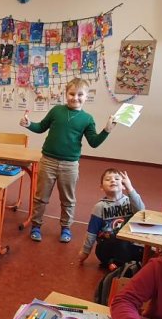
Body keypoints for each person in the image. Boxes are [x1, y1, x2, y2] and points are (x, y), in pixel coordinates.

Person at [20, 78, 118, 243]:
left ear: (86, 96)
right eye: (72, 94)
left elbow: (94, 142)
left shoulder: (87, 119)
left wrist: (106, 130)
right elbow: (41, 127)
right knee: (41, 197)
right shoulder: (56, 111)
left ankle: (66, 228)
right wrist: (29, 124)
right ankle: (36, 226)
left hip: (70, 165)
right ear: (66, 94)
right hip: (48, 161)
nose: (75, 98)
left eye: (80, 95)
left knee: (68, 200)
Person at [78, 169, 145, 269]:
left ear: (123, 185)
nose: (113, 180)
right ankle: (119, 264)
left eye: (117, 179)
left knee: (140, 250)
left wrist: (130, 188)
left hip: (127, 244)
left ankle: (119, 264)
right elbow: (92, 232)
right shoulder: (100, 207)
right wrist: (85, 252)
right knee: (116, 243)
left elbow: (141, 212)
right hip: (107, 246)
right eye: (108, 179)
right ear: (101, 187)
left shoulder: (130, 202)